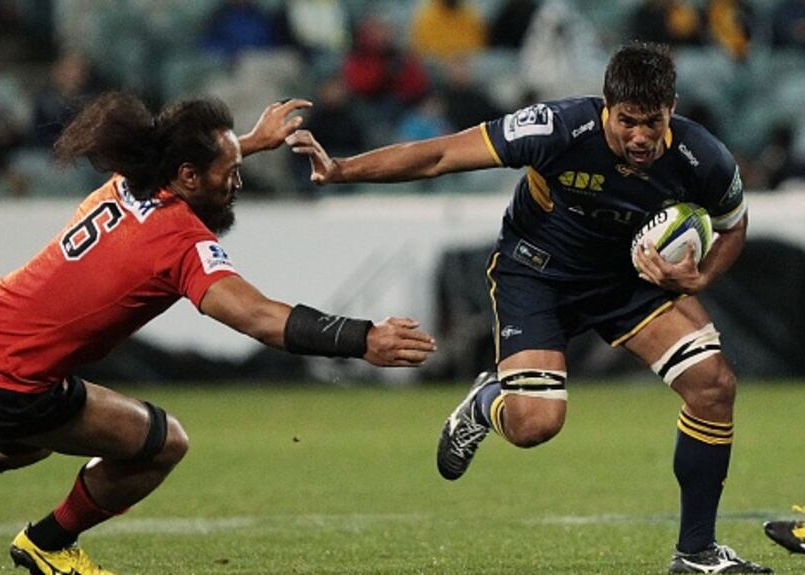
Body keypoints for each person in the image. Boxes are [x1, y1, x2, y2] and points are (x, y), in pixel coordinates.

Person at [0, 94, 436, 575]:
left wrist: (254, 140)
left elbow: (201, 164)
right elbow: (260, 318)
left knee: (17, 446)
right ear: (188, 175)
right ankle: (47, 546)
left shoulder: (130, 182)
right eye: (230, 168)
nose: (236, 178)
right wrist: (363, 338)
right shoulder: (179, 240)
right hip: (13, 377)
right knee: (161, 442)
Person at [287, 42, 769, 573]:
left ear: (670, 110)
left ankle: (696, 552)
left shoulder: (702, 157)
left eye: (651, 123)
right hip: (537, 274)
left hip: (629, 281)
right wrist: (341, 171)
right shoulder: (556, 128)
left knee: (713, 385)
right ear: (606, 105)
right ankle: (487, 401)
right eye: (627, 121)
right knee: (535, 425)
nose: (639, 136)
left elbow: (733, 225)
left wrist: (700, 275)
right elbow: (443, 154)